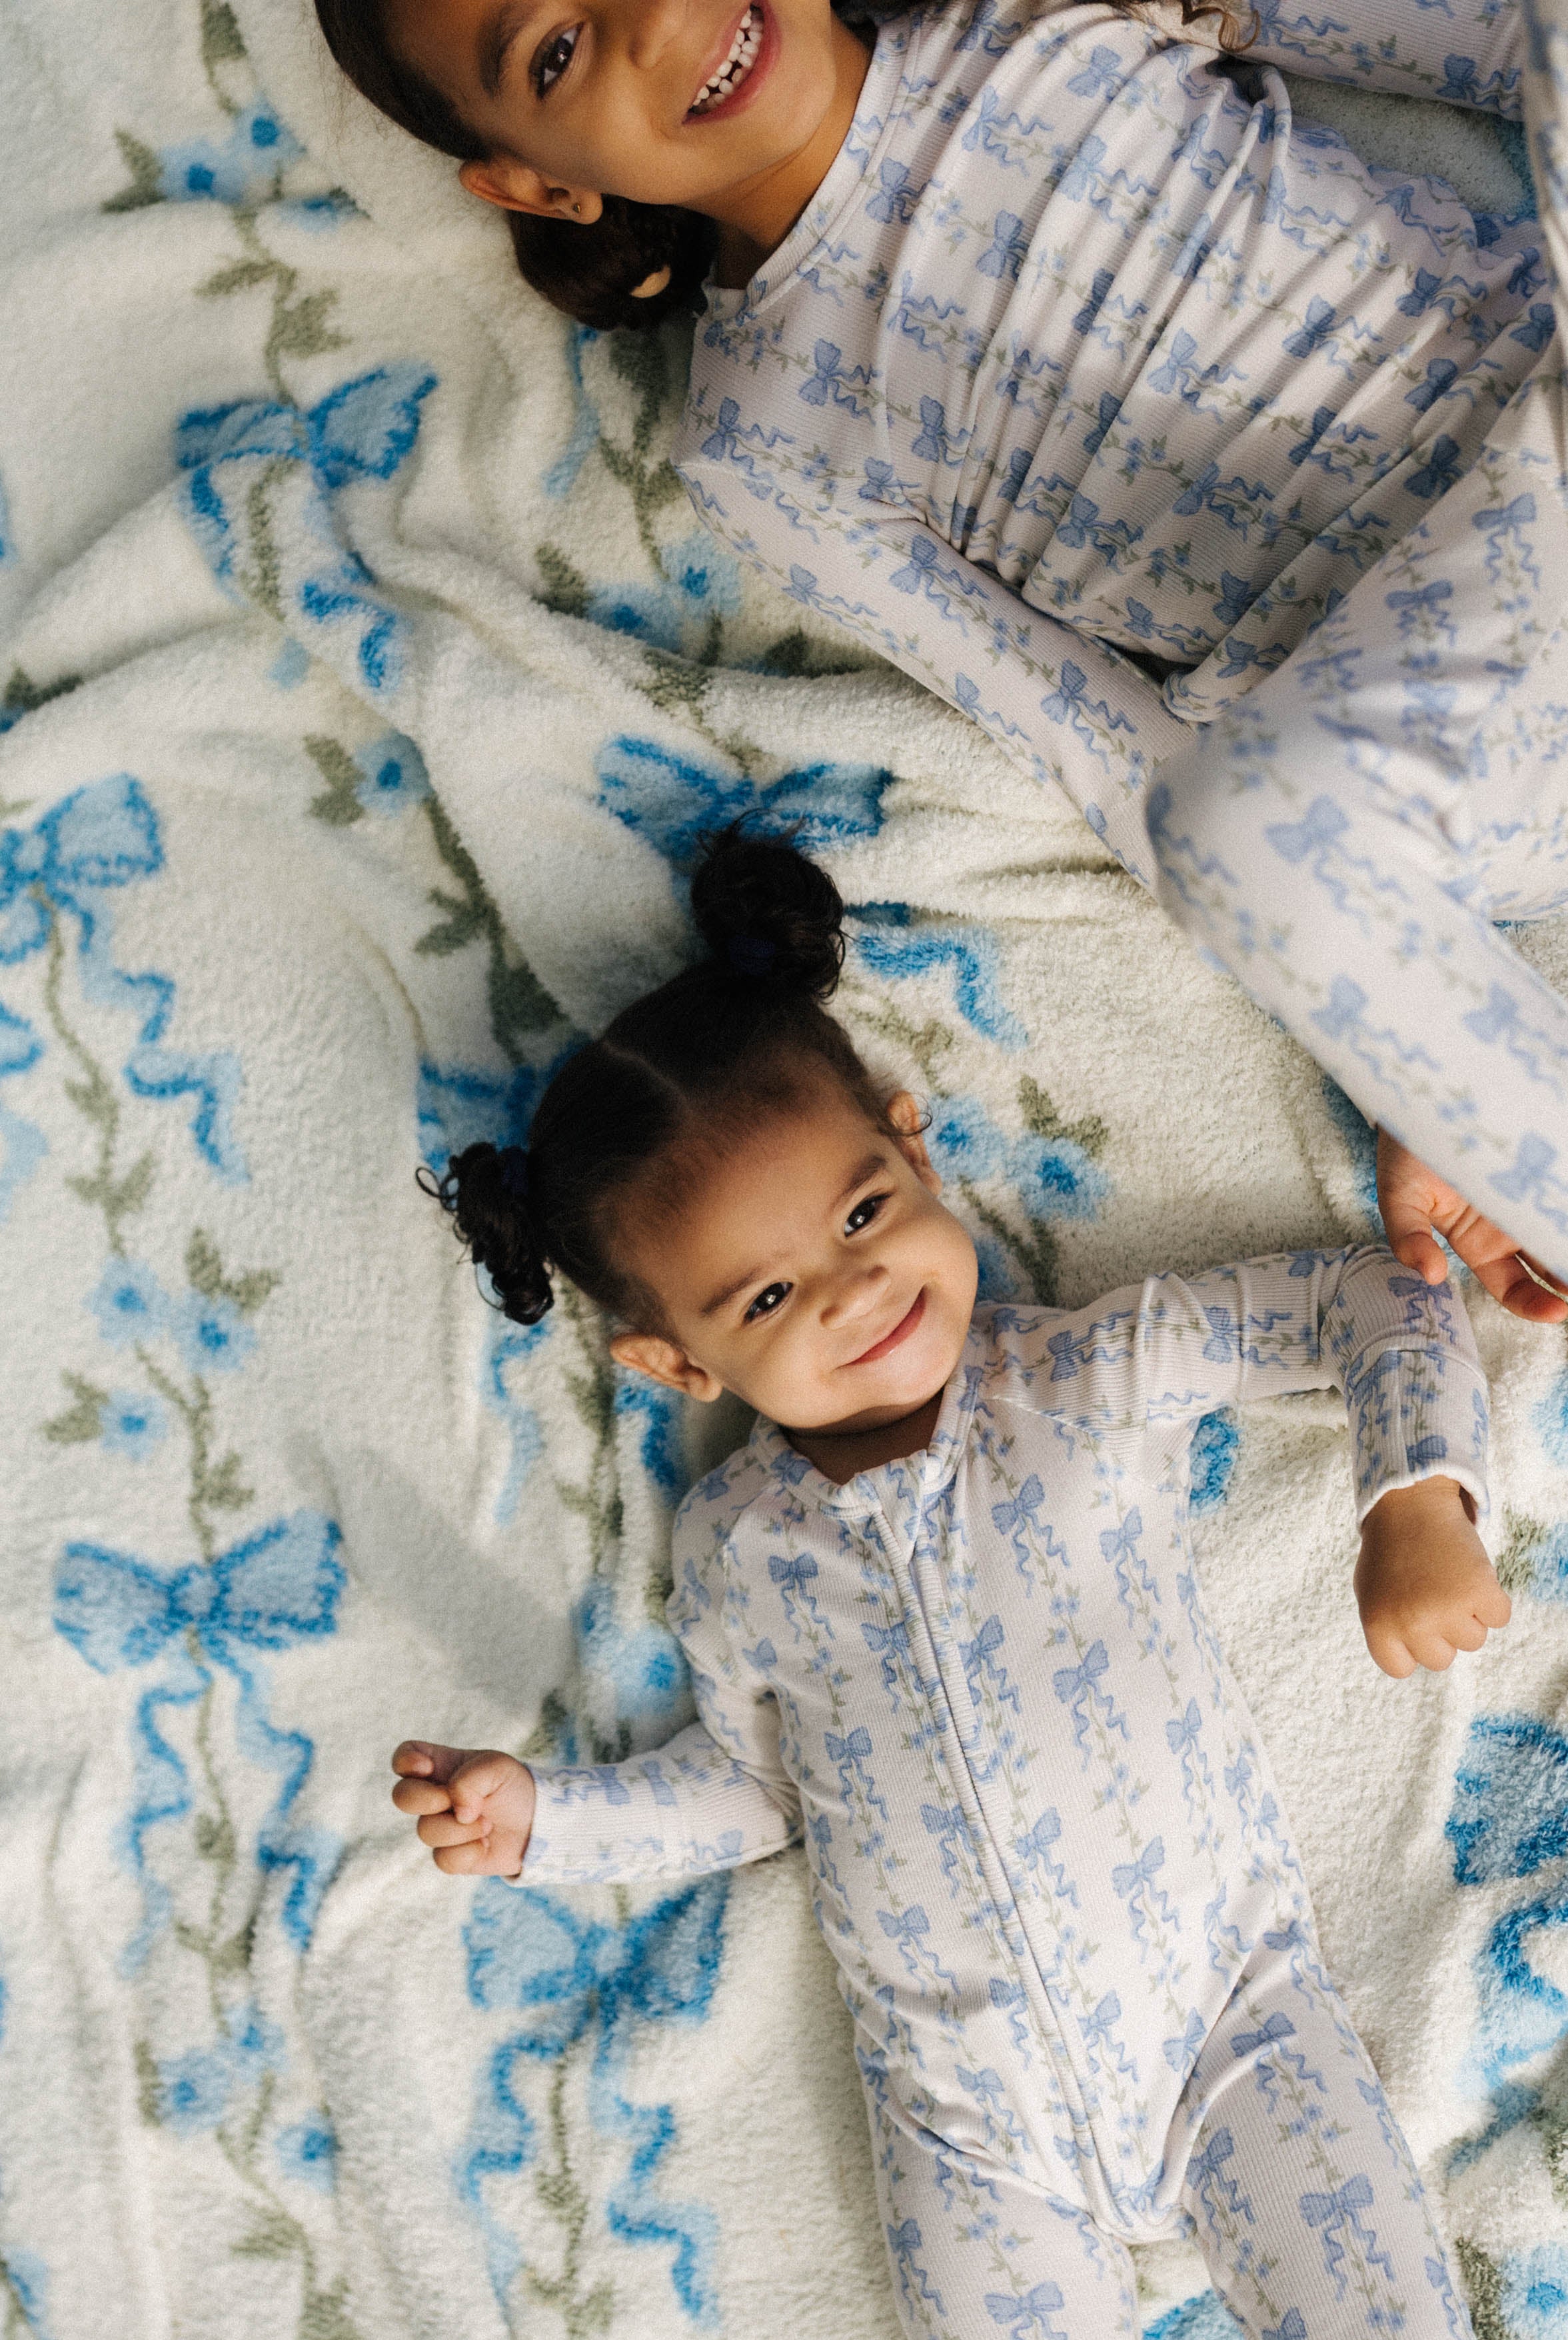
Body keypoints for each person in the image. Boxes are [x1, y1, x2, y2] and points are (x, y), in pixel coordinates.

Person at [394, 827, 1506, 2339]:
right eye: (769, 1294)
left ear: (916, 1149)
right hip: (969, 2128)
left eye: (862, 1214)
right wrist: (548, 1820)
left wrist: (1416, 1502)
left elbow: (1376, 1297)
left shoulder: (1081, 1377)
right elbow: (757, 1789)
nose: (852, 1288)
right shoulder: (735, 1552)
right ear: (673, 1361)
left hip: (1232, 2020)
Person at [315, 0, 1568, 1320]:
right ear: (537, 183)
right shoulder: (760, 450)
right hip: (1462, 728)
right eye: (558, 51)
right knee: (1223, 831)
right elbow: (1102, 748)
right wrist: (1405, 1041)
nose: (659, 21)